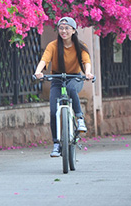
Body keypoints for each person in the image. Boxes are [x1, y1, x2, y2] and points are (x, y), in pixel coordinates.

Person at [34, 16, 94, 157]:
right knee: (54, 111)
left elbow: (86, 61)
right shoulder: (53, 45)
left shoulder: (80, 46)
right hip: (57, 78)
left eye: (67, 28)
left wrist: (88, 73)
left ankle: (79, 119)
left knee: (71, 89)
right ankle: (56, 144)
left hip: (75, 77)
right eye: (61, 28)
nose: (64, 31)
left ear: (73, 30)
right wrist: (38, 71)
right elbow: (45, 59)